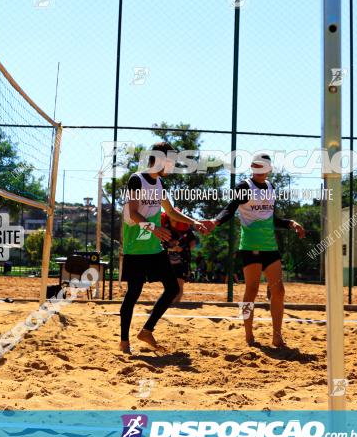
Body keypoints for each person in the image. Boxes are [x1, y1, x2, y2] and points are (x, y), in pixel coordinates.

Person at [201, 153, 304, 347]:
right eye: (257, 165)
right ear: (252, 167)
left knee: (279, 291)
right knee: (252, 289)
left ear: (269, 169)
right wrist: (215, 221)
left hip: (270, 247)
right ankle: (249, 334)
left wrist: (291, 223)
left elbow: (272, 218)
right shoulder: (244, 187)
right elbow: (230, 208)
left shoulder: (271, 187)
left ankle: (277, 335)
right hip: (250, 246)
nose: (260, 169)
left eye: (264, 166)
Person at [119, 141, 209, 353]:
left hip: (153, 246)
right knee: (133, 293)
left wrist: (193, 222)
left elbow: (170, 212)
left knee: (172, 288)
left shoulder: (159, 184)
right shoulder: (136, 179)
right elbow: (133, 213)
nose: (172, 166)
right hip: (136, 245)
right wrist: (154, 228)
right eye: (171, 162)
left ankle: (147, 330)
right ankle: (124, 341)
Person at [161, 210, 198, 303]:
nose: (173, 218)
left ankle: (176, 303)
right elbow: (159, 242)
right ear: (168, 216)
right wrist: (169, 246)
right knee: (168, 284)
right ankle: (170, 302)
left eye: (176, 215)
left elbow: (193, 243)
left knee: (179, 282)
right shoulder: (164, 227)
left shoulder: (186, 228)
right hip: (167, 260)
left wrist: (183, 248)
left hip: (182, 260)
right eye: (171, 215)